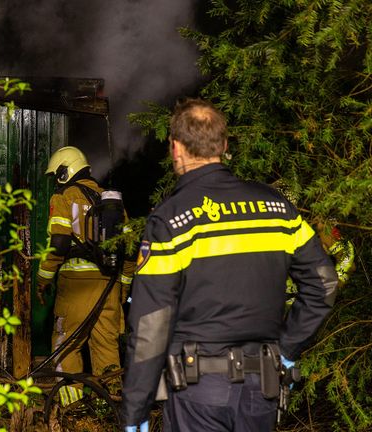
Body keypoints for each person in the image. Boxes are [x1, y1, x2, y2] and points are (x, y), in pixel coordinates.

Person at [121, 98, 338, 432]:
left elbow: (151, 324)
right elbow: (323, 284)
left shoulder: (171, 222)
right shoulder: (279, 209)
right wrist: (288, 348)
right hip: (261, 391)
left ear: (176, 148)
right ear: (223, 145)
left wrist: (135, 410)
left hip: (198, 394)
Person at [36, 146, 134, 406]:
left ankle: (73, 410)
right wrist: (123, 288)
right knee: (107, 349)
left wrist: (43, 279)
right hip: (110, 287)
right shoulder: (113, 202)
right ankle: (108, 409)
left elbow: (58, 243)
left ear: (64, 171)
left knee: (65, 347)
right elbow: (131, 249)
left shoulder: (65, 197)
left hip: (76, 287)